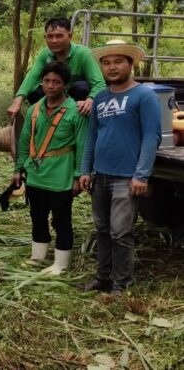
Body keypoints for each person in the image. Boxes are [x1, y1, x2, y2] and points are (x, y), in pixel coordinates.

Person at [79, 39, 160, 295]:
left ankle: (121, 284)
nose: (112, 67)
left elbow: (151, 136)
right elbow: (92, 137)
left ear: (130, 64)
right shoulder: (101, 98)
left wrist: (141, 174)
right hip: (100, 176)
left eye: (118, 62)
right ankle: (102, 278)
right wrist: (85, 170)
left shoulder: (144, 95)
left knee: (120, 232)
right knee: (102, 230)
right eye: (106, 63)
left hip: (127, 178)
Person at [12, 62, 87, 275]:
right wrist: (18, 168)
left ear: (64, 85)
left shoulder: (76, 110)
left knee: (62, 219)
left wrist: (78, 176)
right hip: (35, 174)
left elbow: (82, 145)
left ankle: (61, 264)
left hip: (61, 176)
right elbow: (25, 140)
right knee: (37, 216)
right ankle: (38, 257)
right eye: (47, 81)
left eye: (56, 82)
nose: (51, 86)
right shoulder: (35, 109)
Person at [7, 17, 105, 118]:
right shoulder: (45, 54)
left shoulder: (83, 53)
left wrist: (90, 100)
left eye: (59, 36)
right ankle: (43, 120)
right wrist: (17, 100)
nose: (54, 41)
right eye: (50, 36)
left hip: (76, 101)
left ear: (70, 36)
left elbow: (99, 83)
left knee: (81, 87)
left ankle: (76, 120)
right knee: (34, 90)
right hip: (55, 96)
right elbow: (32, 78)